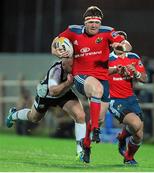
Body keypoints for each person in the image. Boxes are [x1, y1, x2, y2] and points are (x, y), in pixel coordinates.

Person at [51, 6, 132, 163]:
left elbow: (127, 44)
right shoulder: (72, 31)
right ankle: (95, 128)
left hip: (103, 77)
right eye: (90, 22)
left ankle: (86, 144)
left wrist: (120, 47)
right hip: (81, 76)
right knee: (96, 90)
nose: (94, 25)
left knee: (100, 117)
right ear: (85, 23)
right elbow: (55, 41)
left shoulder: (108, 31)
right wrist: (57, 52)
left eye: (97, 22)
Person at [5, 58, 86, 160]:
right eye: (71, 65)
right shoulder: (56, 70)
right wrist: (67, 83)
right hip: (47, 94)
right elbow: (53, 91)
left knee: (80, 115)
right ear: (64, 64)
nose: (73, 67)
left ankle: (81, 152)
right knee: (34, 118)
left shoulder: (77, 65)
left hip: (64, 93)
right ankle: (13, 114)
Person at [108, 31, 147, 165]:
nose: (118, 44)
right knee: (135, 124)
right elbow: (98, 73)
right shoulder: (107, 58)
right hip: (115, 99)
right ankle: (123, 137)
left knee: (139, 134)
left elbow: (144, 78)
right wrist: (114, 69)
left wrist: (135, 72)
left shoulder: (133, 57)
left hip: (130, 98)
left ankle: (128, 156)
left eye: (121, 41)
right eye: (115, 41)